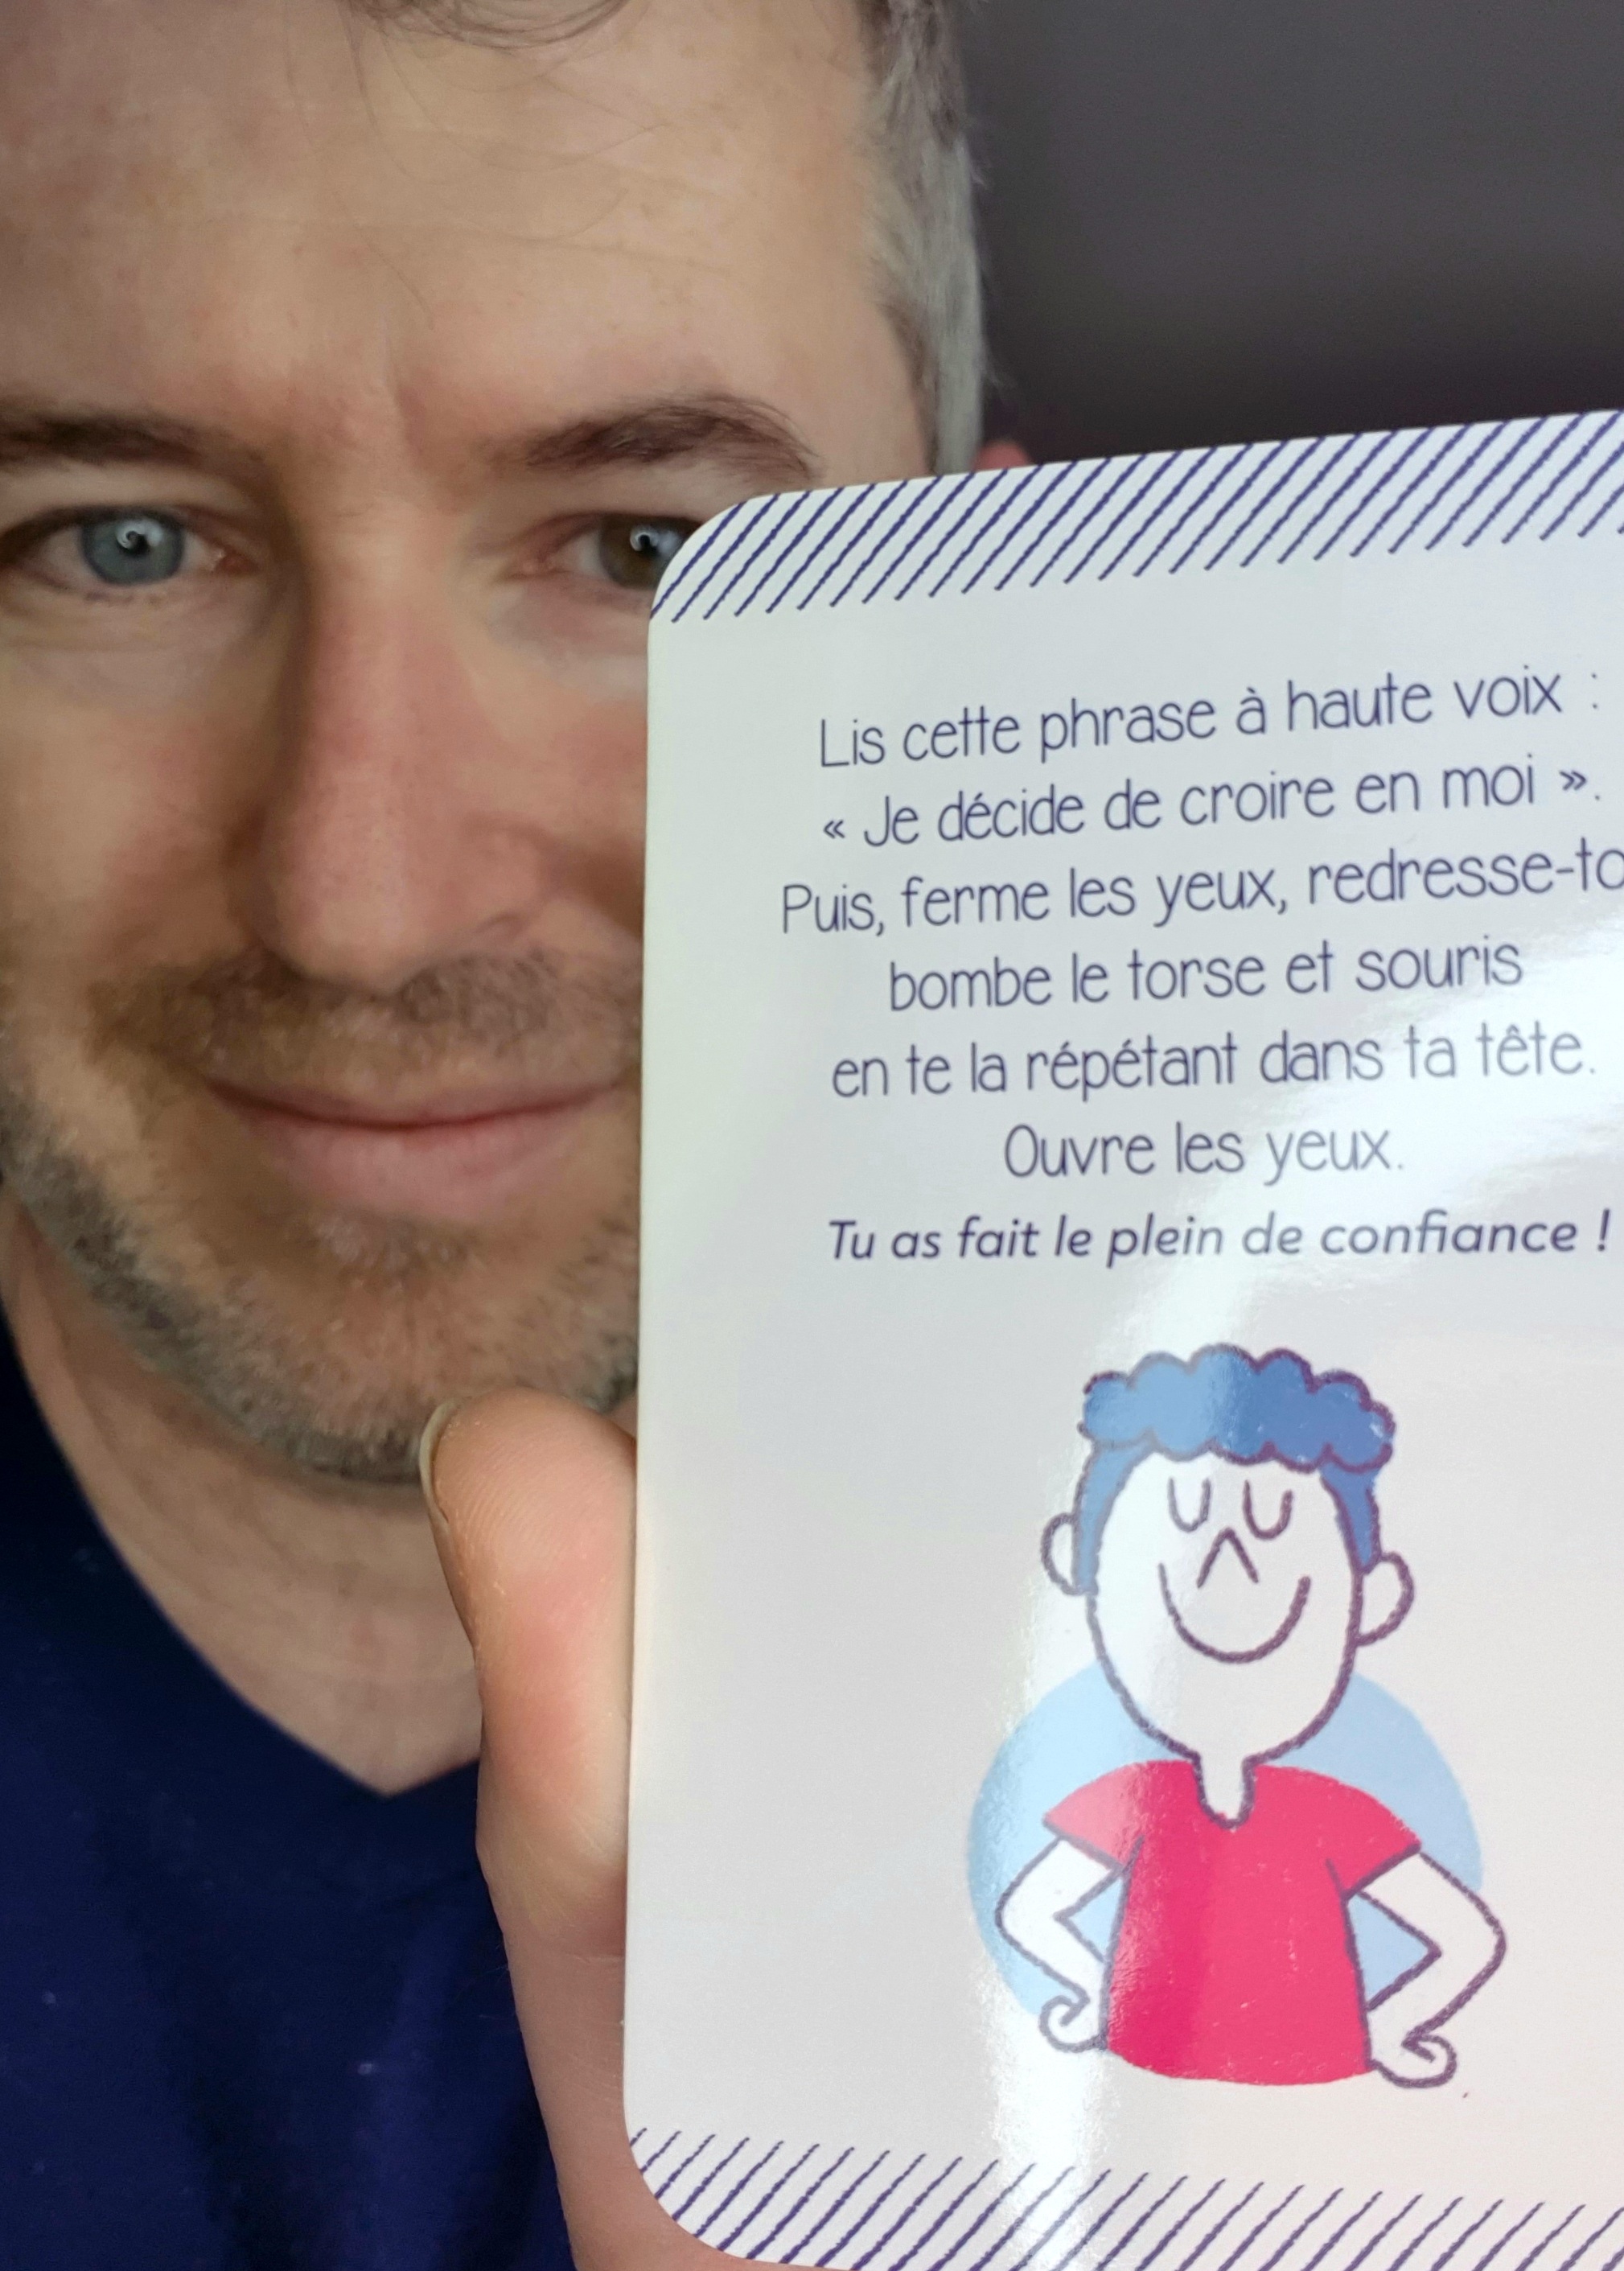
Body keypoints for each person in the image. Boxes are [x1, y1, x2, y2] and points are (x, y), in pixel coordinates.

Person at [0, 0, 1021, 2259]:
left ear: (995, 642)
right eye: (123, 545)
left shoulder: (1386, 1668)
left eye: (644, 553)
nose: (359, 910)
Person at [996, 1346, 1505, 2089]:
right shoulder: (1137, 1798)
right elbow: (1028, 1912)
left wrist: (1391, 2029)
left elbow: (1464, 1937)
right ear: (1082, 1565)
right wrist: (1093, 1999)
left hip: (1317, 2094)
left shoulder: (1334, 1814)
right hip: (1145, 2076)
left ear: (1373, 1599)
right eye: (1184, 1528)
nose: (1225, 1570)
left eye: (1273, 1527)